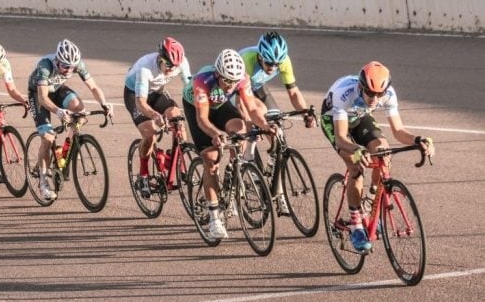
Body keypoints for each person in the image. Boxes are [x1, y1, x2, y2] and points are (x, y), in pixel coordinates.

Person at [320, 61, 435, 252]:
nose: (375, 98)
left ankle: (369, 202)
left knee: (384, 150)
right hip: (334, 120)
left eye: (379, 94)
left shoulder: (388, 94)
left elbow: (398, 131)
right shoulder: (345, 93)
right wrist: (357, 150)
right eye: (370, 93)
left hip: (358, 116)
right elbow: (341, 138)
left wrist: (418, 140)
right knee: (355, 165)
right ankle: (356, 225)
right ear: (361, 86)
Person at [182, 48, 275, 240]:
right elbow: (202, 120)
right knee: (211, 159)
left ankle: (231, 180)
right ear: (218, 74)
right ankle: (214, 219)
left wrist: (265, 125)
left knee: (240, 129)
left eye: (235, 82)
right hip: (197, 108)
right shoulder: (202, 81)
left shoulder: (241, 79)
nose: (231, 86)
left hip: (219, 105)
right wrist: (216, 134)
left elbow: (251, 109)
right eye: (227, 81)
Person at [238, 30, 316, 214]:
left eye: (277, 64)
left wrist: (306, 113)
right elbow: (242, 103)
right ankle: (247, 158)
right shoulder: (246, 61)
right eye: (269, 63)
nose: (273, 68)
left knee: (277, 131)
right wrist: (251, 124)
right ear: (259, 56)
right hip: (239, 91)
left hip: (258, 88)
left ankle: (278, 191)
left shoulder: (284, 61)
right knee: (250, 123)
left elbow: (294, 92)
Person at [27, 39, 114, 200]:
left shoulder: (77, 64)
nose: (69, 71)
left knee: (80, 111)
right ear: (57, 60)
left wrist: (104, 102)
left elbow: (93, 87)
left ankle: (66, 149)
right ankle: (43, 182)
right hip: (39, 94)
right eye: (65, 67)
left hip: (57, 89)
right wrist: (58, 111)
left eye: (72, 68)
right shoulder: (45, 65)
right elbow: (43, 97)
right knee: (47, 137)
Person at [124, 36, 192, 198]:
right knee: (149, 135)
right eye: (168, 64)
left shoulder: (181, 63)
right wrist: (155, 116)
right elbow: (140, 103)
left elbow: (190, 88)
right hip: (136, 95)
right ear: (160, 58)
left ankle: (176, 161)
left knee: (179, 122)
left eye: (175, 66)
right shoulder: (145, 69)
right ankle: (143, 174)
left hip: (157, 92)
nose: (171, 69)